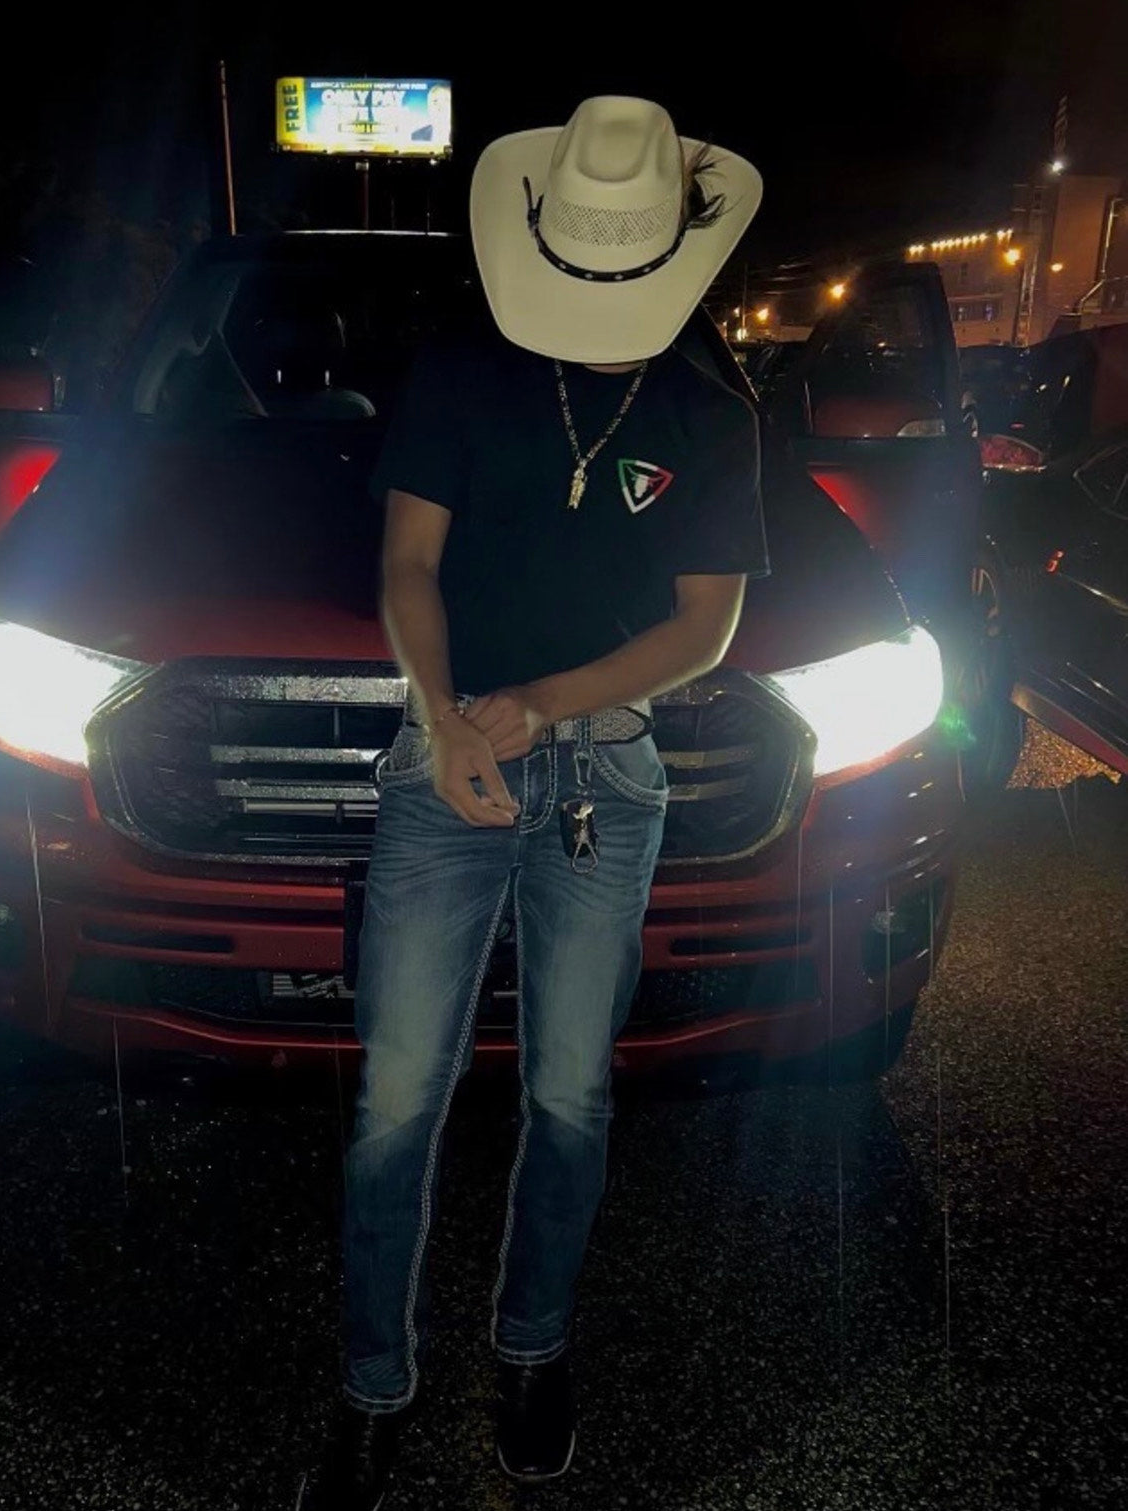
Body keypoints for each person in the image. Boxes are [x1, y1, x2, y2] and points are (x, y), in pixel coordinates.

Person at [296, 95, 767, 1510]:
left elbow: (704, 630)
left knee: (569, 1091)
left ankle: (533, 1349)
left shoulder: (709, 408)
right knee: (395, 1096)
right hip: (444, 757)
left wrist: (541, 705)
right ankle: (371, 1385)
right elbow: (408, 567)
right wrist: (448, 720)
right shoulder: (464, 367)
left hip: (604, 771)